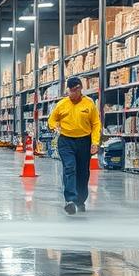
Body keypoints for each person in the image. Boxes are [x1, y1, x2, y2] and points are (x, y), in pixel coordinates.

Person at [47, 76, 101, 215]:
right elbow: (52, 120)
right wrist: (54, 127)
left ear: (80, 89)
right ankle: (70, 200)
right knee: (69, 168)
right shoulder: (62, 104)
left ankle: (80, 200)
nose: (72, 94)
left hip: (84, 141)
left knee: (83, 173)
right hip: (66, 141)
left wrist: (95, 142)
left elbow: (96, 124)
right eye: (70, 91)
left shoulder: (89, 104)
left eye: (74, 91)